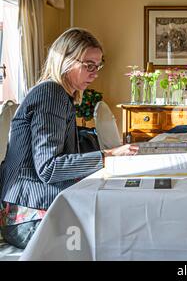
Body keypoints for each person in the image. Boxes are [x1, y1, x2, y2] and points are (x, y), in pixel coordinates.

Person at [0, 28, 139, 249]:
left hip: (30, 210)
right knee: (125, 232)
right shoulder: (51, 94)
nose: (95, 73)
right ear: (65, 61)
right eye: (89, 65)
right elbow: (49, 168)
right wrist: (108, 155)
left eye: (98, 66)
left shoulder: (58, 95)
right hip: (30, 216)